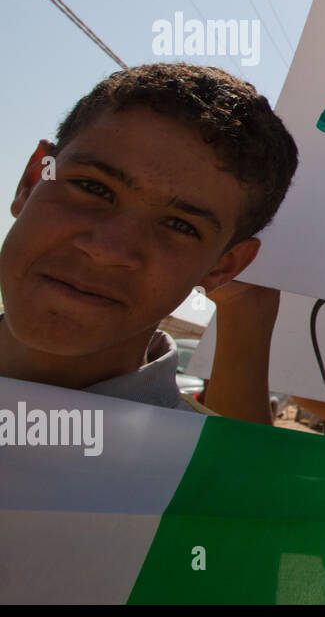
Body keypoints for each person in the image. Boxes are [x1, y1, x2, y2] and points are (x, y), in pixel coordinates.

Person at [0, 64, 297, 419]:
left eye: (179, 226)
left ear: (224, 266)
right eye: (93, 188)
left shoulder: (200, 467)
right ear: (31, 181)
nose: (107, 250)